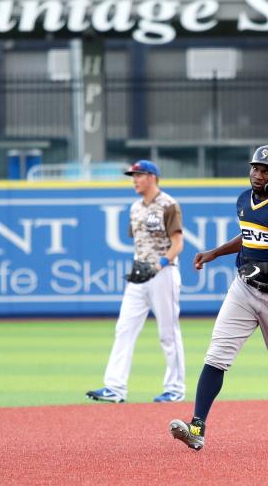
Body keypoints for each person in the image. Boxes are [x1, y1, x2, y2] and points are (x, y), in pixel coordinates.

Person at [169, 145, 268, 450]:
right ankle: (197, 427)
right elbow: (248, 236)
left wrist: (267, 266)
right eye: (255, 168)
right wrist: (214, 252)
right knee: (217, 355)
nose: (258, 174)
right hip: (243, 289)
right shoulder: (244, 199)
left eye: (265, 170)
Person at [86, 159, 186, 404]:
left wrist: (159, 265)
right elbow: (140, 243)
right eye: (132, 176)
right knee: (124, 328)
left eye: (138, 175)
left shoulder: (168, 204)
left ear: (152, 177)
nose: (134, 180)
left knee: (168, 333)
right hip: (139, 275)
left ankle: (175, 389)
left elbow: (178, 243)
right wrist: (141, 266)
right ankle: (115, 388)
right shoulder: (135, 208)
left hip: (164, 273)